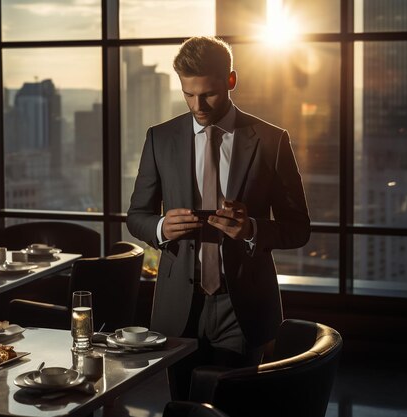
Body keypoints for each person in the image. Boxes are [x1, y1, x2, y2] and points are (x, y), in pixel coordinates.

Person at [126, 36, 311, 400]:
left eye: (208, 94)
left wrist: (252, 229)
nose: (198, 105)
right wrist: (162, 227)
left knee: (234, 407)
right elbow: (137, 216)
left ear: (231, 80)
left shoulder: (271, 141)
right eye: (188, 94)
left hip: (240, 305)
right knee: (182, 405)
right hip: (178, 303)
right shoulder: (159, 138)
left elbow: (299, 228)